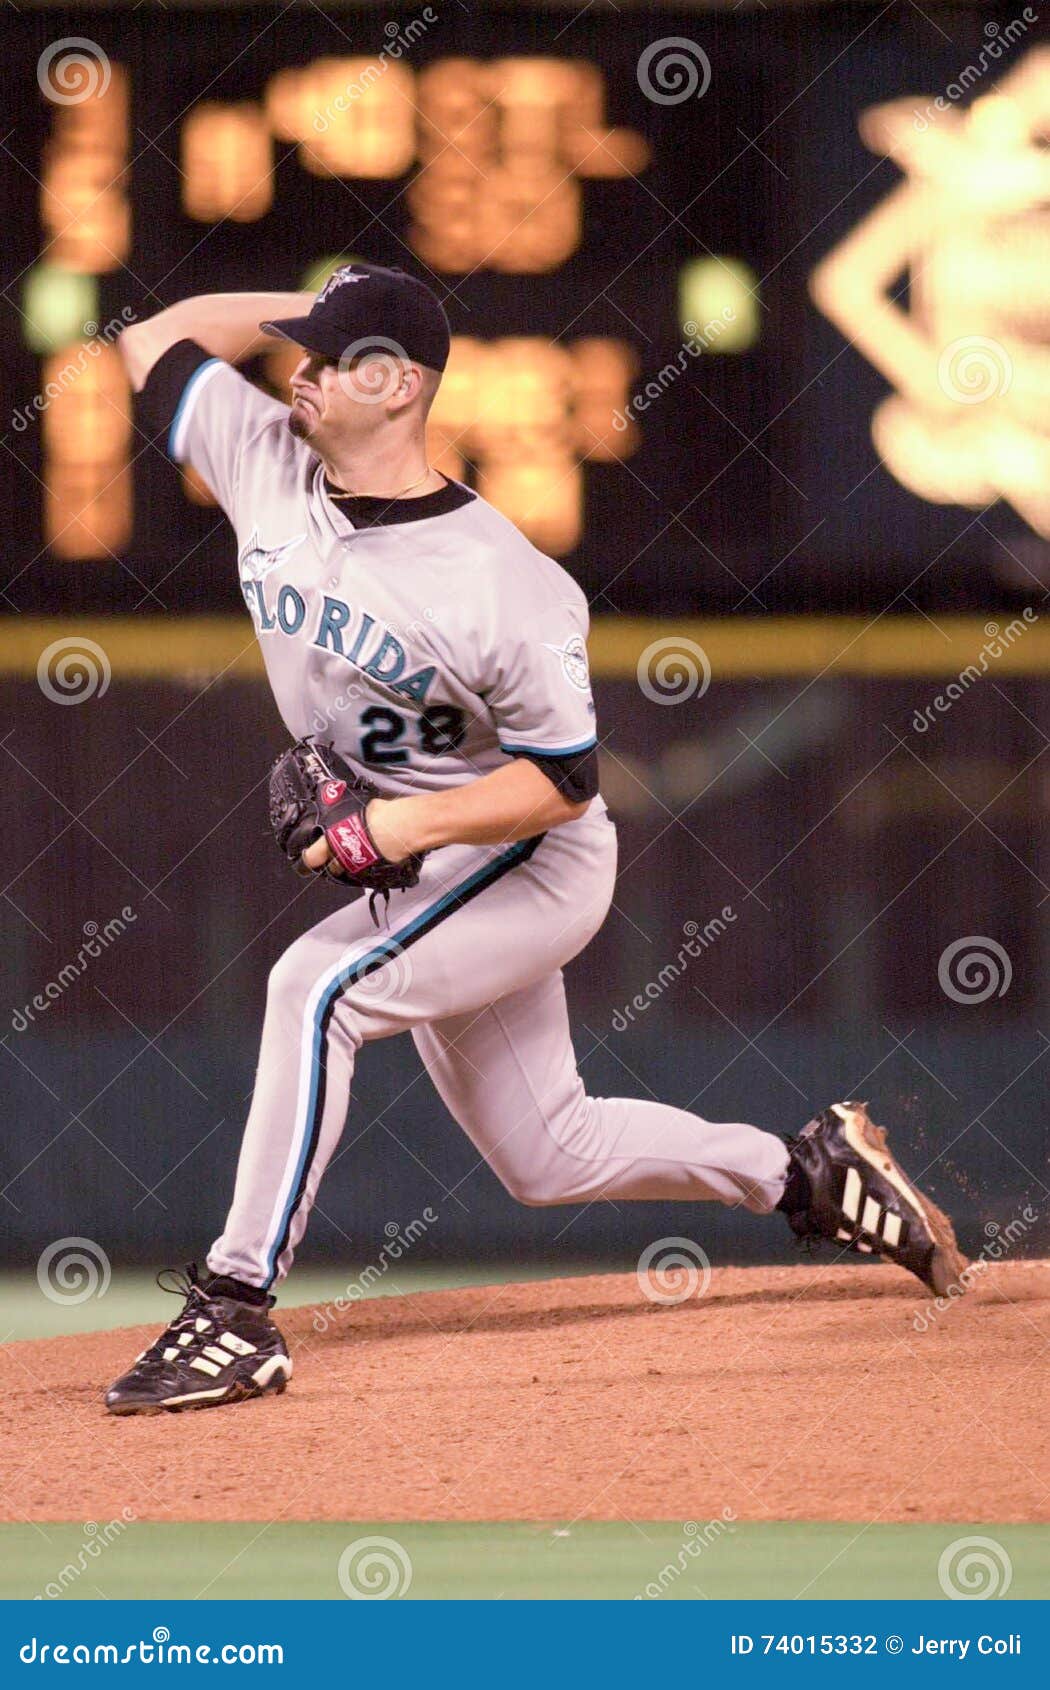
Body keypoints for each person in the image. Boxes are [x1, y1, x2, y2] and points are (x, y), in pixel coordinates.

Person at [104, 264, 964, 1415]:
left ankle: (234, 1306)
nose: (298, 374)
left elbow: (562, 783)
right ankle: (810, 1171)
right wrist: (294, 308)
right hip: (429, 867)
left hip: (529, 860)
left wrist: (396, 822)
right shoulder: (262, 457)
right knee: (548, 1154)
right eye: (301, 353)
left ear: (397, 384)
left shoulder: (505, 579)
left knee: (315, 987)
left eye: (329, 357)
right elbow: (147, 338)